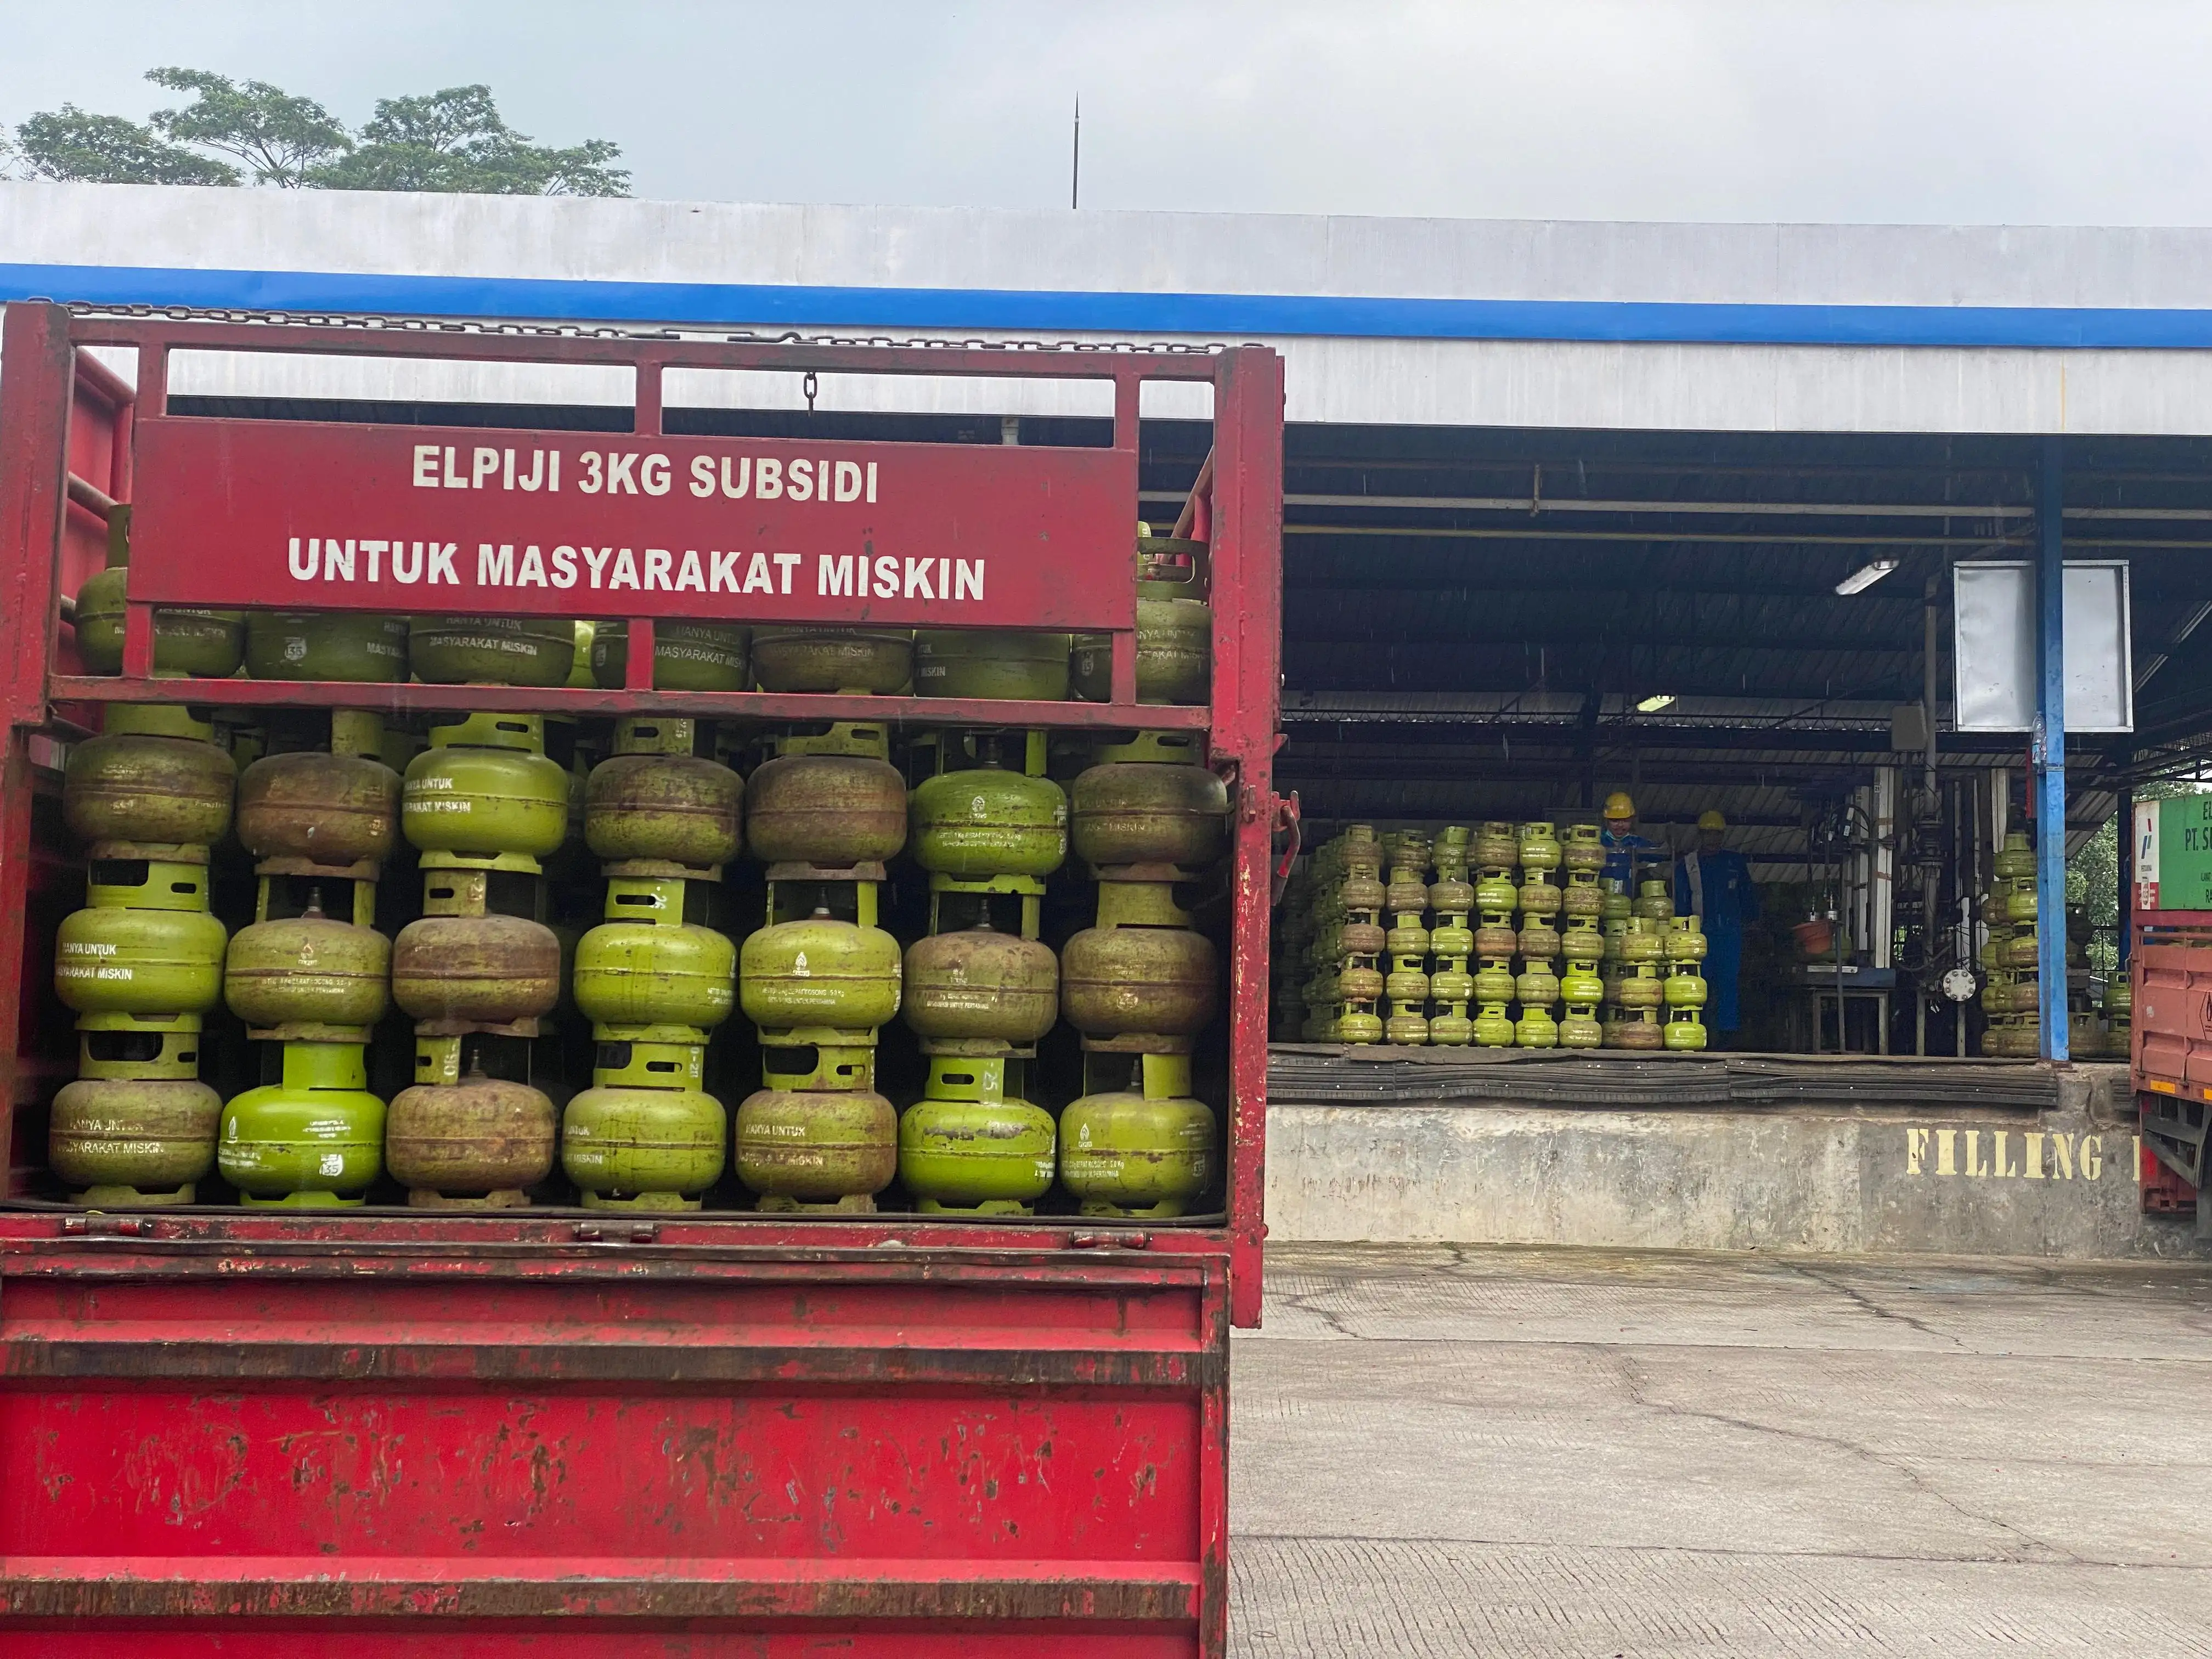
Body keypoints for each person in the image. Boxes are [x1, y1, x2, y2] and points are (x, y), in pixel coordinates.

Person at [1675, 809, 1760, 1045]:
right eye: (1708, 834)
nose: (1712, 840)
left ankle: (1727, 1037)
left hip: (1729, 934)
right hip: (1698, 935)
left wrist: (1753, 920)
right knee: (1698, 985)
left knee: (1728, 985)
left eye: (1717, 835)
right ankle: (1697, 1031)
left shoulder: (1734, 863)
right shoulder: (1688, 865)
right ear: (1700, 835)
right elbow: (1680, 902)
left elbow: (1747, 895)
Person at [1600, 791, 1658, 890]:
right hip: (1599, 896)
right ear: (1606, 821)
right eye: (1615, 821)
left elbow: (1659, 855)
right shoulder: (1598, 842)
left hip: (1628, 898)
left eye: (1626, 820)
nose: (1620, 825)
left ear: (1632, 820)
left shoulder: (1637, 843)